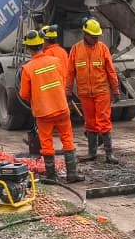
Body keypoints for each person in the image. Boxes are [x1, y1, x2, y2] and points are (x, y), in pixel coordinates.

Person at [19, 30, 82, 183]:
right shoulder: (55, 61)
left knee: (46, 142)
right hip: (61, 108)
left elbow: (24, 94)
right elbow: (63, 80)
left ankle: (51, 176)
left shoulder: (28, 68)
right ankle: (72, 174)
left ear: (29, 48)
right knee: (67, 139)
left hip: (43, 113)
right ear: (42, 45)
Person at [67, 17, 119, 164]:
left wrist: (115, 90)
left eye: (97, 37)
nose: (96, 39)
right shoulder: (76, 50)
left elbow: (111, 71)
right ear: (85, 34)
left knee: (104, 122)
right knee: (90, 123)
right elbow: (70, 73)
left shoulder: (103, 49)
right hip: (85, 94)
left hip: (102, 92)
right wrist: (68, 92)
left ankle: (109, 154)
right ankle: (92, 153)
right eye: (93, 36)